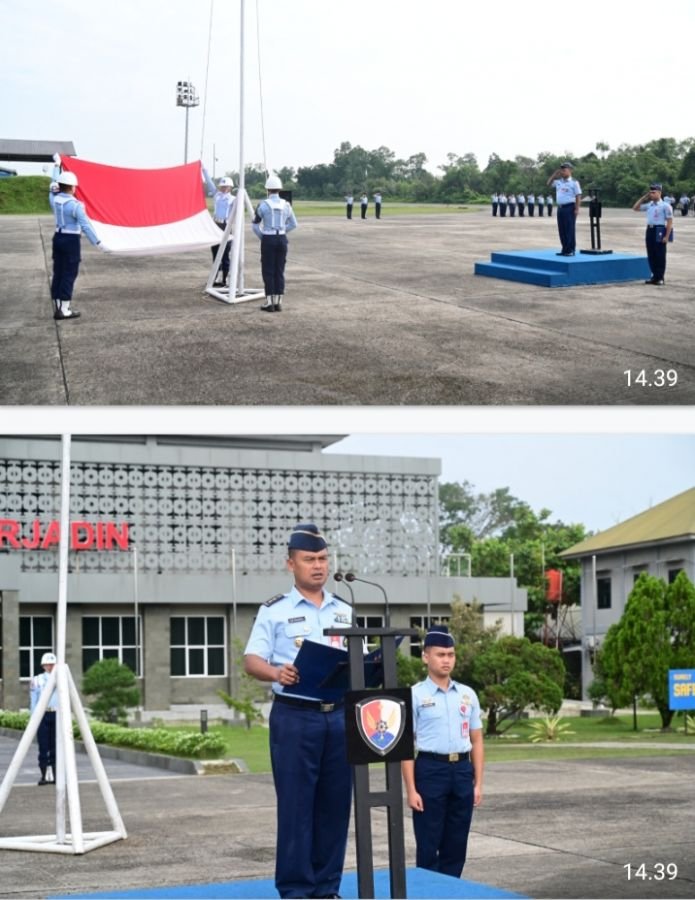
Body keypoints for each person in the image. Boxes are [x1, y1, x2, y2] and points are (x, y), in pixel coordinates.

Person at [244, 523, 353, 899]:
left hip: (339, 717)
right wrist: (277, 671)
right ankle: (295, 891)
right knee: (296, 808)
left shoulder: (345, 609)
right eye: (309, 560)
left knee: (335, 808)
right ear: (291, 564)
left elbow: (355, 660)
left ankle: (327, 889)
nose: (318, 566)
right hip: (296, 717)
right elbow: (251, 660)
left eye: (323, 559)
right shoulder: (274, 610)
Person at [401, 626, 484, 879]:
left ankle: (450, 891)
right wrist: (411, 789)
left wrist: (478, 783)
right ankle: (429, 893)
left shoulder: (467, 694)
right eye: (440, 654)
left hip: (461, 770)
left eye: (450, 654)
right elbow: (406, 746)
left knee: (457, 842)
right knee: (428, 841)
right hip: (430, 769)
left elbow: (477, 741)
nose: (447, 660)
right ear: (426, 657)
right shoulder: (415, 695)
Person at [48, 167, 102, 320]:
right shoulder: (76, 206)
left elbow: (53, 184)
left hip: (57, 238)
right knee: (69, 273)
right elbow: (85, 226)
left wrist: (55, 167)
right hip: (71, 241)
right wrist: (97, 242)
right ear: (72, 187)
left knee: (58, 272)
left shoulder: (55, 199)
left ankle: (58, 306)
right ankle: (65, 310)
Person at [252, 174, 297, 313]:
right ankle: (278, 302)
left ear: (267, 189)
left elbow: (255, 225)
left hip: (268, 239)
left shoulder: (262, 205)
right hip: (282, 239)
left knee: (268, 270)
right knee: (279, 270)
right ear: (279, 189)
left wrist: (264, 237)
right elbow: (294, 224)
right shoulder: (286, 205)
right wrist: (282, 232)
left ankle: (269, 302)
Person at [632, 182, 673, 286]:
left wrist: (666, 236)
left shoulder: (665, 206)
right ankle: (654, 276)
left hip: (659, 230)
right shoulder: (649, 205)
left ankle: (660, 278)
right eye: (650, 193)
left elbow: (669, 222)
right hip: (649, 230)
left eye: (653, 192)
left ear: (659, 193)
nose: (651, 194)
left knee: (660, 255)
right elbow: (635, 208)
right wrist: (643, 198)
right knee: (651, 254)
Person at [29, 652, 58, 785]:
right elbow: (33, 701)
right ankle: (43, 776)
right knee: (43, 746)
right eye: (47, 665)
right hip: (42, 715)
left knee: (56, 747)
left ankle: (57, 776)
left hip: (57, 714)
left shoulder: (60, 678)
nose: (50, 667)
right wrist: (33, 718)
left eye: (52, 664)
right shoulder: (37, 680)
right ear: (43, 666)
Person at [203, 170, 235, 287]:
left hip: (226, 226)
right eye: (222, 186)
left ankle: (224, 280)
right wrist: (204, 171)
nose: (223, 188)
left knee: (225, 254)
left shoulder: (233, 199)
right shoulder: (216, 195)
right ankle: (215, 278)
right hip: (215, 225)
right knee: (215, 254)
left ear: (230, 187)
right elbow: (210, 183)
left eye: (226, 186)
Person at [547, 161, 581, 255]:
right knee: (561, 229)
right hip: (560, 208)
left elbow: (578, 196)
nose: (562, 172)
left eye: (564, 170)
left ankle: (571, 250)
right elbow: (548, 184)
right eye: (561, 170)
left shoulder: (574, 182)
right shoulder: (558, 182)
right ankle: (564, 249)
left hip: (570, 208)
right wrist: (554, 175)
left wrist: (577, 209)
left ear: (570, 171)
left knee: (569, 229)